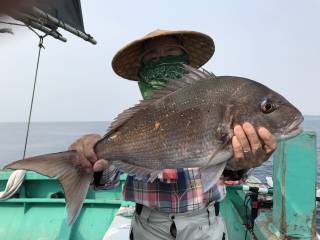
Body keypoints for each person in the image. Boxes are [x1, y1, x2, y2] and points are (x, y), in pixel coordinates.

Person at [69, 30, 277, 240]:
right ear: (143, 70)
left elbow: (229, 173)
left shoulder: (214, 100)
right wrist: (92, 157)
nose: (163, 62)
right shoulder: (134, 122)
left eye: (171, 53)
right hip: (148, 227)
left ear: (185, 61)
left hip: (205, 226)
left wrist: (242, 164)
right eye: (152, 57)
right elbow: (108, 179)